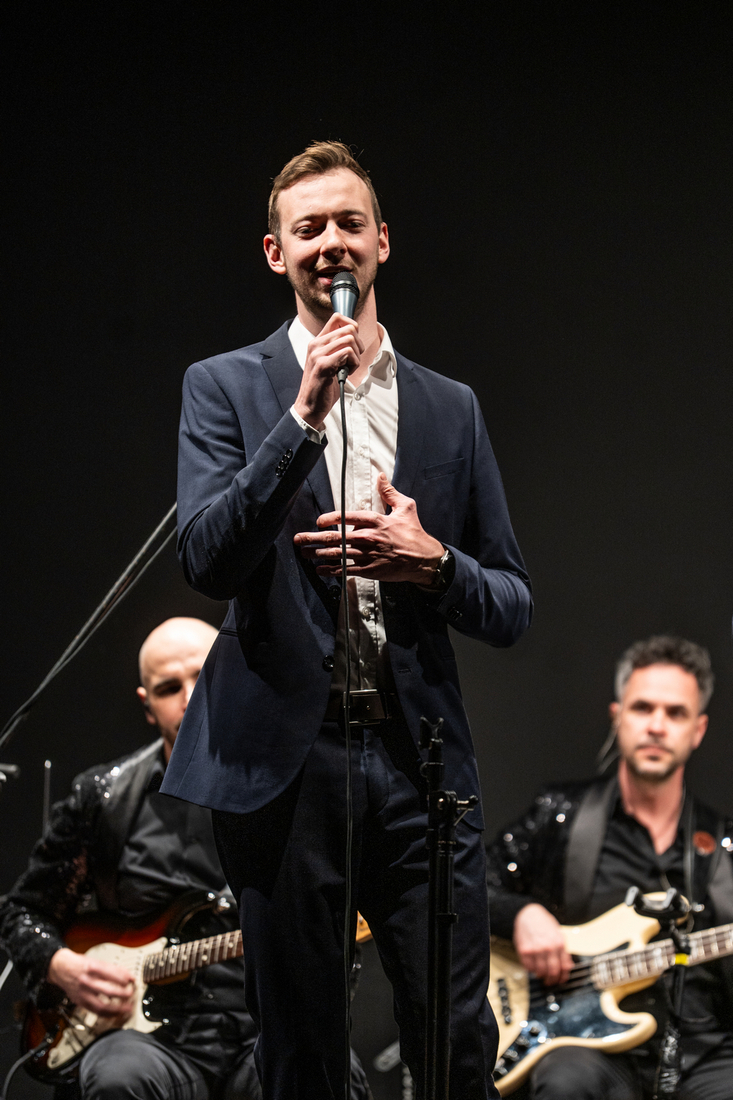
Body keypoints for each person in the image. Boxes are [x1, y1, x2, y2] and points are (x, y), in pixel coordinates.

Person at [160, 140, 533, 1099]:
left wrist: (431, 563)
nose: (331, 242)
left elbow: (510, 602)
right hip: (285, 767)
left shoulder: (450, 407)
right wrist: (300, 418)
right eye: (309, 228)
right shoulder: (224, 386)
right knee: (304, 1050)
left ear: (381, 242)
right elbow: (207, 561)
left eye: (349, 224)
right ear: (276, 253)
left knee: (455, 1038)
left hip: (419, 766)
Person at [0, 617, 371, 1100]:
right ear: (146, 705)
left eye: (204, 675)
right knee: (116, 1078)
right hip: (145, 1041)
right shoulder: (103, 797)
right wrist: (61, 966)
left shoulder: (296, 785)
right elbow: (23, 911)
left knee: (330, 1072)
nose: (190, 696)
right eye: (169, 688)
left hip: (264, 1029)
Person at [486, 635, 733, 1100]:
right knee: (565, 1083)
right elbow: (466, 882)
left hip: (704, 1053)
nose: (656, 726)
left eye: (675, 713)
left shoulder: (723, 846)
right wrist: (520, 914)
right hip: (584, 1047)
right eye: (643, 708)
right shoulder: (560, 816)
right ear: (617, 716)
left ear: (698, 730)